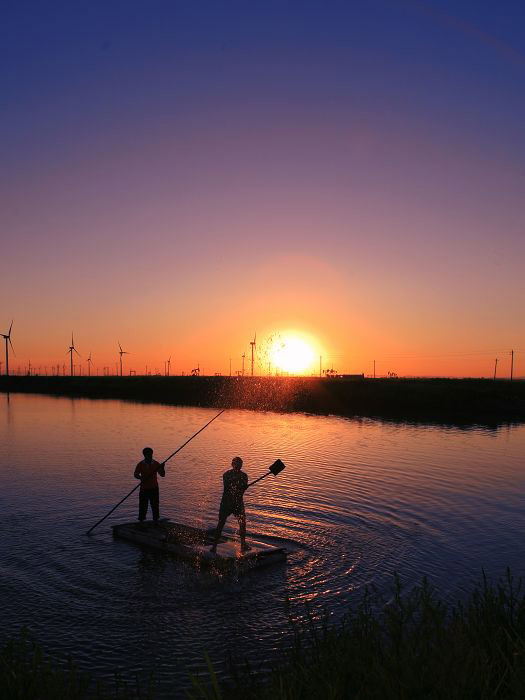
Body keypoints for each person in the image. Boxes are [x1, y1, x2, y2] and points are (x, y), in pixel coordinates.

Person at [210, 457, 251, 553]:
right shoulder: (226, 475)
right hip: (227, 503)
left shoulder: (244, 476)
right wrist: (241, 486)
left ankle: (243, 544)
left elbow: (242, 491)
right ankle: (214, 546)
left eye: (240, 464)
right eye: (236, 463)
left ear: (241, 465)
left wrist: (244, 487)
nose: (238, 465)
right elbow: (228, 487)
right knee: (221, 523)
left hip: (237, 503)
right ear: (232, 465)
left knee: (242, 523)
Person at [134, 447, 165, 526]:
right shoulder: (140, 464)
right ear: (144, 455)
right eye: (148, 455)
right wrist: (141, 478)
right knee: (143, 506)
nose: (150, 456)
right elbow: (135, 474)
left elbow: (162, 474)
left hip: (154, 488)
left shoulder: (156, 463)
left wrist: (162, 467)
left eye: (151, 455)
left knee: (155, 505)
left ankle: (156, 521)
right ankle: (141, 522)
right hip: (144, 489)